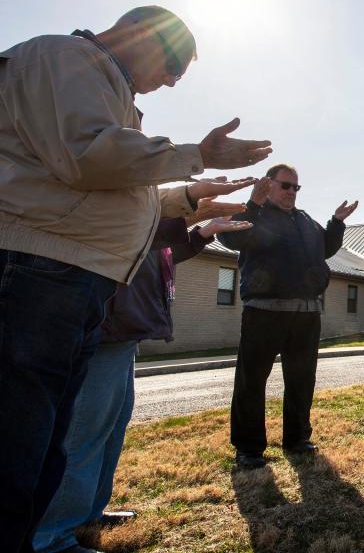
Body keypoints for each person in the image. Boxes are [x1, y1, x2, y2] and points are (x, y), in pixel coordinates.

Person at [0, 5, 271, 549]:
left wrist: (188, 196)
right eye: (173, 66)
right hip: (38, 273)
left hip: (73, 280)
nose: (170, 81)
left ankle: (48, 536)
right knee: (18, 447)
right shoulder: (65, 57)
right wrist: (193, 155)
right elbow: (90, 157)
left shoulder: (105, 87)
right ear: (138, 34)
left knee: (48, 441)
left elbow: (119, 188)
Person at [32, 212, 252, 553]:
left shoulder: (148, 211)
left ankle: (90, 511)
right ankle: (51, 536)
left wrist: (200, 234)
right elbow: (134, 236)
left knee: (111, 429)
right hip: (105, 328)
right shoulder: (124, 204)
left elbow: (161, 253)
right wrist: (191, 212)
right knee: (82, 437)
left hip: (126, 332)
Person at [218, 164, 358, 469]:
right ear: (269, 186)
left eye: (296, 188)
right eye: (285, 186)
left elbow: (326, 248)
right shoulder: (255, 214)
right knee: (251, 382)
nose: (291, 192)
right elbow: (230, 239)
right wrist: (252, 205)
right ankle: (249, 449)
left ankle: (296, 439)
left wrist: (336, 223)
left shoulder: (305, 220)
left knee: (301, 380)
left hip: (306, 315)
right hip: (264, 313)